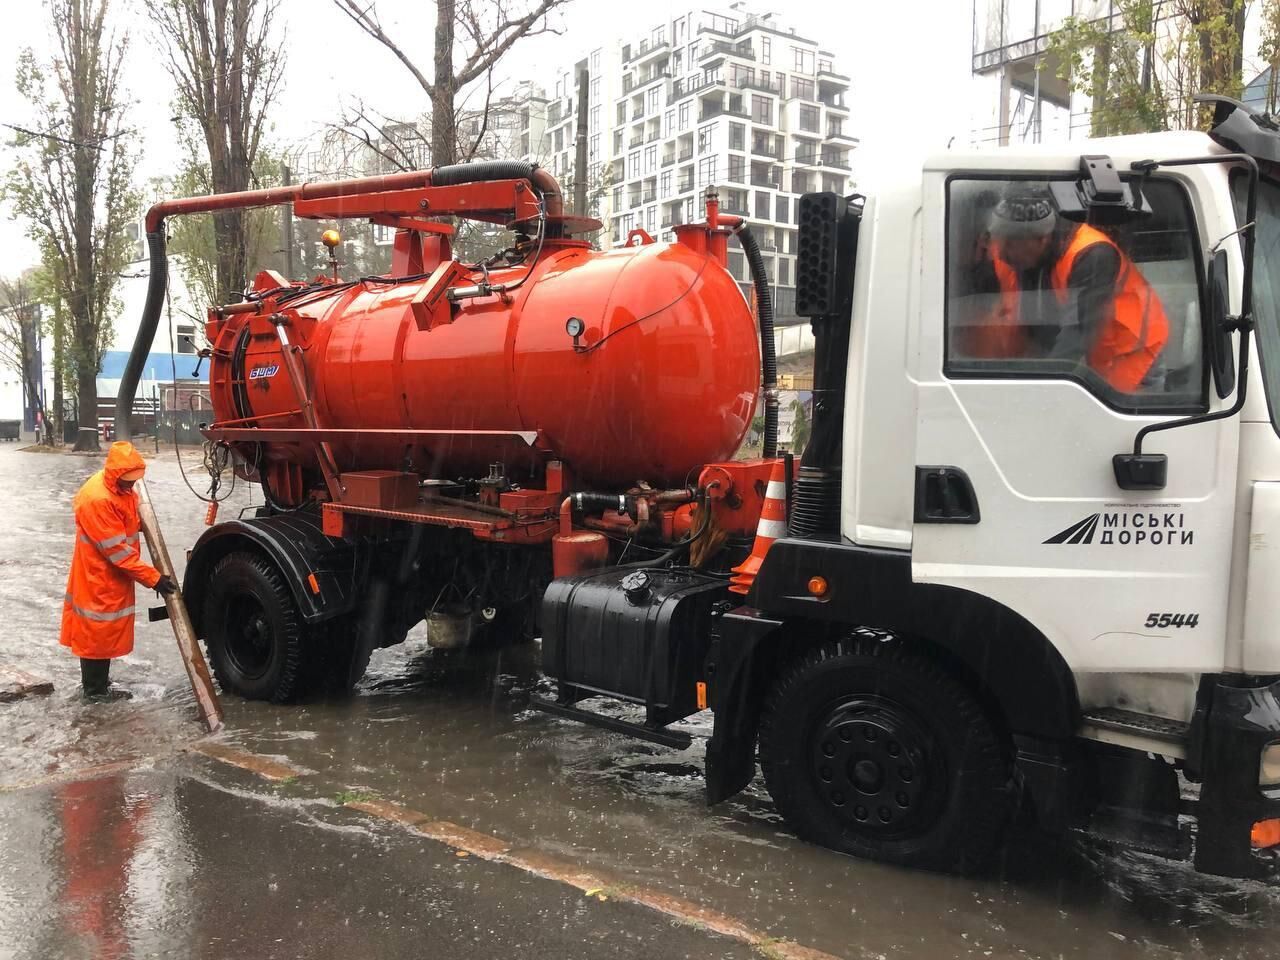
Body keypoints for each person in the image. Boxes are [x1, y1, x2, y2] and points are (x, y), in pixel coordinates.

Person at [960, 185, 1169, 393]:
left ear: (1041, 239)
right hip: (1088, 357)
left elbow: (1075, 336)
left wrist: (1040, 389)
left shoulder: (1093, 255)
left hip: (1129, 354)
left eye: (1010, 244)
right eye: (999, 240)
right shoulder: (1022, 255)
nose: (1002, 253)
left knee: (1113, 425)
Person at [61, 441, 176, 701]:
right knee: (95, 631)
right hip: (98, 576)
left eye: (134, 481)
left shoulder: (118, 487)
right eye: (127, 482)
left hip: (108, 575)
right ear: (116, 475)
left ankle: (99, 683)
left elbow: (125, 521)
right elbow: (119, 554)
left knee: (103, 632)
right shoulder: (98, 499)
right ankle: (94, 691)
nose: (132, 486)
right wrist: (154, 579)